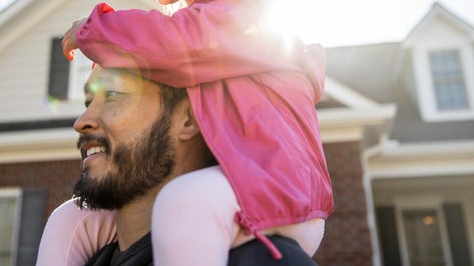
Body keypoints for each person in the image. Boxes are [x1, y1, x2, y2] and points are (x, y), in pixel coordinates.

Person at [56, 0, 333, 265]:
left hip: (278, 193)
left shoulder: (245, 13)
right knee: (71, 219)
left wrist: (96, 30)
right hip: (230, 186)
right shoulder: (209, 21)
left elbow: (176, 43)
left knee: (182, 202)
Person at [38, 65, 317, 266]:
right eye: (88, 101)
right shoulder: (80, 256)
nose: (82, 120)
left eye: (112, 95)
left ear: (189, 119)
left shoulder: (262, 259)